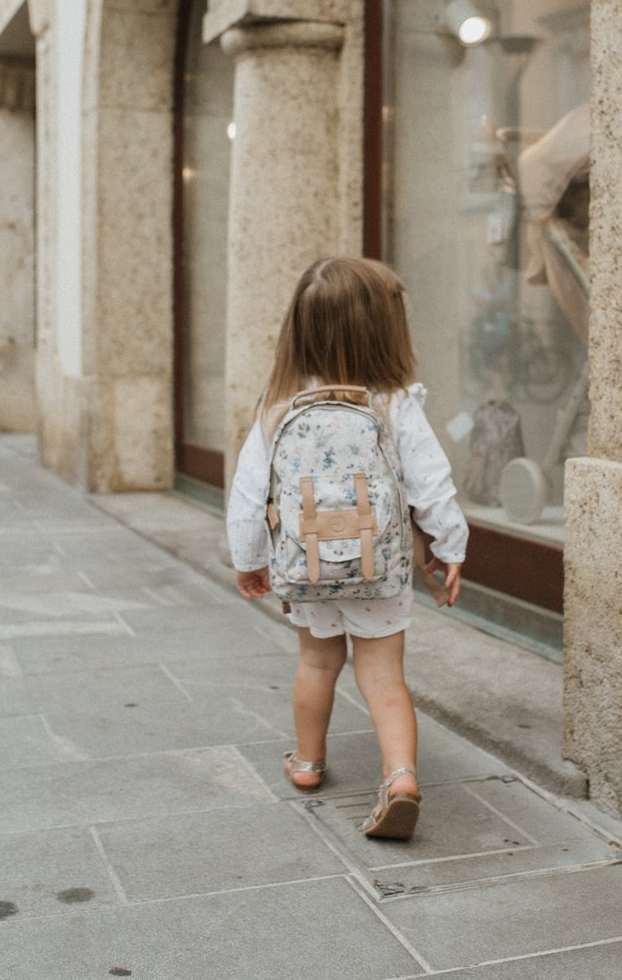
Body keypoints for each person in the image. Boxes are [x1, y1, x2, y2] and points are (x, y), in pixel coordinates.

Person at [227, 257, 468, 840]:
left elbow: (248, 490)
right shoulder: (392, 402)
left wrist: (249, 558)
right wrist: (449, 545)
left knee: (316, 661)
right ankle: (402, 777)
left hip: (306, 567)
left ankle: (308, 764)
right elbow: (432, 482)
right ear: (384, 331)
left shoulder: (279, 404)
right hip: (379, 569)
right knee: (383, 676)